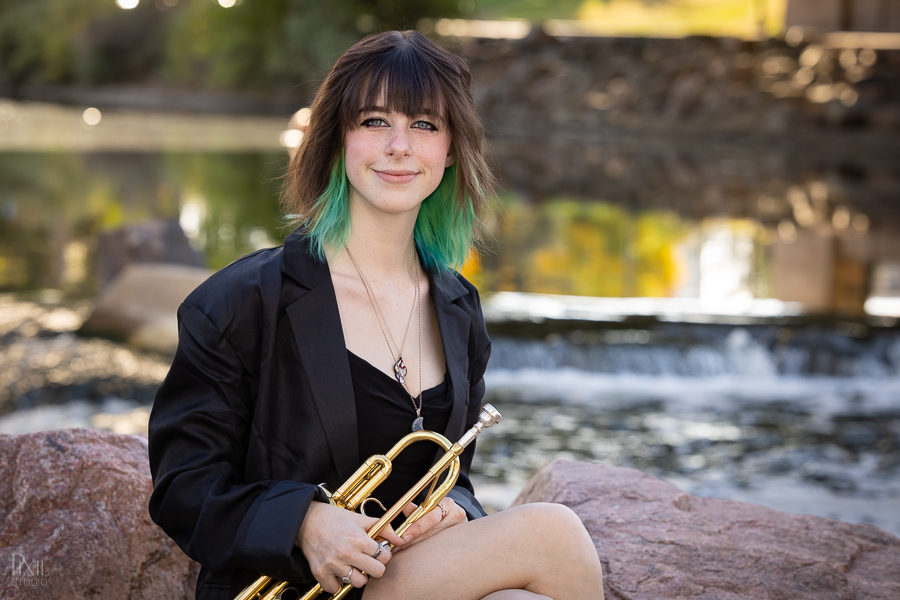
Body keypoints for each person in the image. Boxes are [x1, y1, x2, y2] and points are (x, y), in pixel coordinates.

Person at [148, 30, 604, 600]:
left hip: (405, 578)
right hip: (292, 588)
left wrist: (456, 511)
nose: (399, 146)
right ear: (337, 138)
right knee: (554, 534)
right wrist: (305, 521)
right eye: (374, 121)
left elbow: (455, 479)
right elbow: (182, 488)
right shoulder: (243, 301)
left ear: (452, 149)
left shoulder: (458, 309)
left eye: (425, 125)